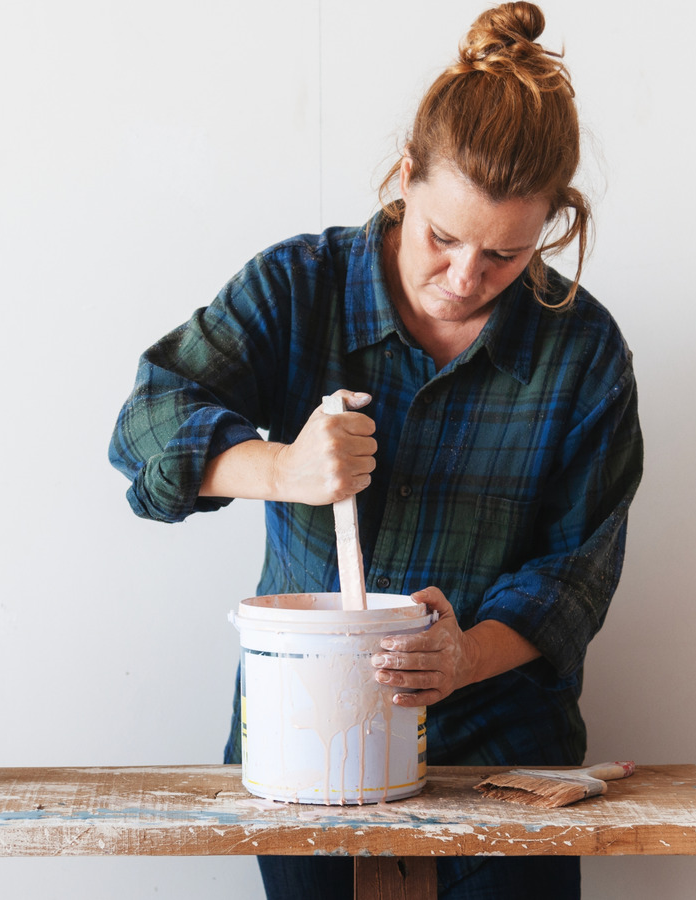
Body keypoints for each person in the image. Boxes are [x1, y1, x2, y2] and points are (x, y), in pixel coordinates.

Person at [108, 3, 641, 898]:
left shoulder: (581, 350)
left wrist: (465, 654)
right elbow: (146, 421)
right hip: (303, 741)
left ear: (554, 223)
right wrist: (280, 470)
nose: (466, 279)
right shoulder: (298, 287)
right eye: (442, 237)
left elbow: (577, 571)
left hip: (502, 753)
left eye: (506, 255)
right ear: (405, 178)